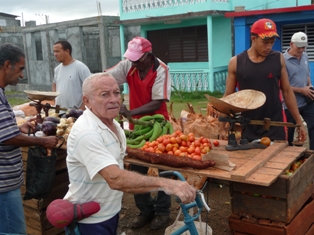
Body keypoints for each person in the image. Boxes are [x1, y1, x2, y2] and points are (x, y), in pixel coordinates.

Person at [63, 72, 196, 235]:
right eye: (104, 94)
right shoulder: (87, 132)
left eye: (116, 92)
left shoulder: (116, 126)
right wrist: (168, 184)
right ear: (87, 101)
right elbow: (115, 179)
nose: (113, 99)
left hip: (108, 211)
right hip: (90, 219)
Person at [106, 36, 172, 230]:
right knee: (136, 169)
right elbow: (106, 79)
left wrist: (130, 112)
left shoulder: (161, 70)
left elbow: (158, 102)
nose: (134, 62)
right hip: (136, 126)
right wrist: (114, 97)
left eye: (138, 59)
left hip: (158, 125)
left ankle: (162, 212)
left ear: (148, 55)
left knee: (164, 170)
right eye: (131, 58)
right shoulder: (128, 65)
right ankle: (145, 211)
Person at [0, 43, 58, 234]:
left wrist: (22, 129)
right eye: (20, 69)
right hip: (3, 186)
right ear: (7, 64)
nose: (22, 75)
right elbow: (7, 138)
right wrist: (43, 141)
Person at [219, 18, 307, 143]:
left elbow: (287, 91)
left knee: (279, 161)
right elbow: (228, 96)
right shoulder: (236, 63)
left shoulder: (278, 59)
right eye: (265, 42)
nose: (269, 47)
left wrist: (299, 122)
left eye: (272, 42)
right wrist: (222, 127)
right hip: (248, 125)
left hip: (276, 124)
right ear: (253, 39)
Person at [283, 32, 314, 149]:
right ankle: (288, 159)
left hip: (307, 101)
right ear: (291, 44)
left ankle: (312, 155)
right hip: (290, 103)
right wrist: (301, 90)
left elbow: (306, 73)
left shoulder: (305, 56)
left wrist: (309, 85)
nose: (301, 49)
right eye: (299, 46)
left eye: (304, 47)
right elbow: (282, 86)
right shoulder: (283, 60)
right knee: (289, 133)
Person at [52, 40, 91, 110]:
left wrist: (80, 111)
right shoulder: (57, 69)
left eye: (57, 51)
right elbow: (55, 85)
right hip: (60, 112)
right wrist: (56, 105)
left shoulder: (80, 68)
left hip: (76, 113)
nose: (55, 54)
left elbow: (91, 90)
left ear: (67, 51)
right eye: (54, 52)